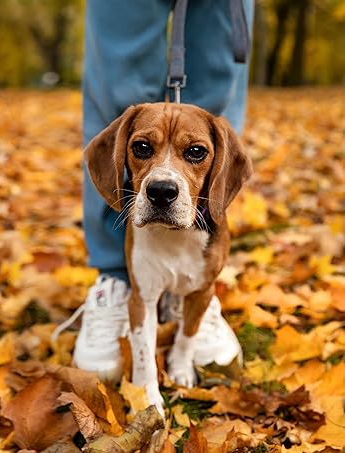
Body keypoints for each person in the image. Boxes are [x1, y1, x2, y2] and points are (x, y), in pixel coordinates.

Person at [74, 0, 254, 381]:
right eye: (142, 148)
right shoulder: (118, 145)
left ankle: (197, 295)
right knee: (119, 76)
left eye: (195, 153)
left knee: (220, 67)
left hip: (205, 222)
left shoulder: (222, 153)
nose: (163, 181)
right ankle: (117, 276)